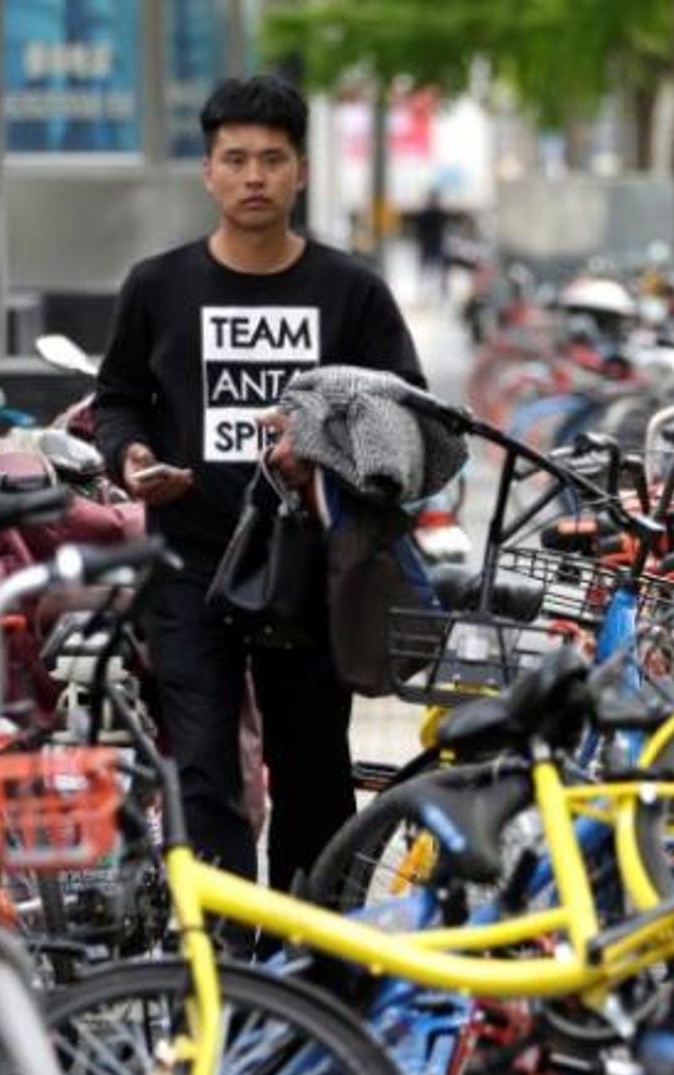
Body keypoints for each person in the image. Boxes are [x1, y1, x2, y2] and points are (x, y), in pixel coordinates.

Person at [93, 75, 425, 890]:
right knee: (203, 772)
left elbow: (407, 420)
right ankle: (229, 948)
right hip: (187, 564)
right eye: (235, 159)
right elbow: (119, 399)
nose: (254, 177)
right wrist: (132, 461)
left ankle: (310, 947)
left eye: (272, 160)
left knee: (312, 771)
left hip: (309, 569)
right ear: (207, 172)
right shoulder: (157, 287)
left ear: (301, 173)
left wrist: (323, 453)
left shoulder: (351, 292)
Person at [415, 189, 451, 298]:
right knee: (427, 269)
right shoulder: (429, 214)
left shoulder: (436, 213)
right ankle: (425, 291)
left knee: (437, 269)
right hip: (429, 244)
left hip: (435, 243)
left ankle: (437, 291)